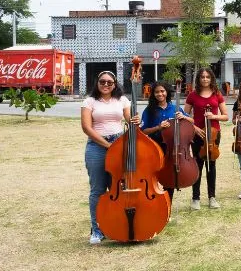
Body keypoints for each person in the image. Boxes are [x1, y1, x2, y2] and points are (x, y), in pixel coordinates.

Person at [81, 70, 135, 245]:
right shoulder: (89, 101)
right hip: (97, 146)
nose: (106, 85)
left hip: (119, 144)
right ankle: (97, 230)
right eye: (102, 81)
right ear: (97, 82)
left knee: (117, 188)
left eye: (109, 82)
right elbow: (87, 128)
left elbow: (129, 119)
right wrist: (107, 145)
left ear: (115, 84)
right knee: (97, 190)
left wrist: (135, 120)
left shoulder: (122, 100)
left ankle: (115, 225)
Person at [184, 67, 229, 210]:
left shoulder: (217, 94)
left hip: (214, 133)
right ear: (199, 79)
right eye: (202, 77)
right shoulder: (193, 95)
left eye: (207, 77)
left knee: (212, 166)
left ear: (211, 79)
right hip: (197, 134)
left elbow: (226, 116)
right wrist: (195, 128)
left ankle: (212, 197)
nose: (205, 79)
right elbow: (185, 116)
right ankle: (195, 198)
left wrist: (214, 116)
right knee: (197, 165)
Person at [140, 81, 193, 201]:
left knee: (169, 176)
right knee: (152, 175)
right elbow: (143, 131)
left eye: (162, 91)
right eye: (157, 92)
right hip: (154, 147)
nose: (160, 94)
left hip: (171, 147)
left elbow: (191, 121)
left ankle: (167, 203)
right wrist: (158, 127)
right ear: (153, 94)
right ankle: (152, 200)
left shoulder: (175, 108)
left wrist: (184, 117)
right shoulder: (149, 110)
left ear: (167, 92)